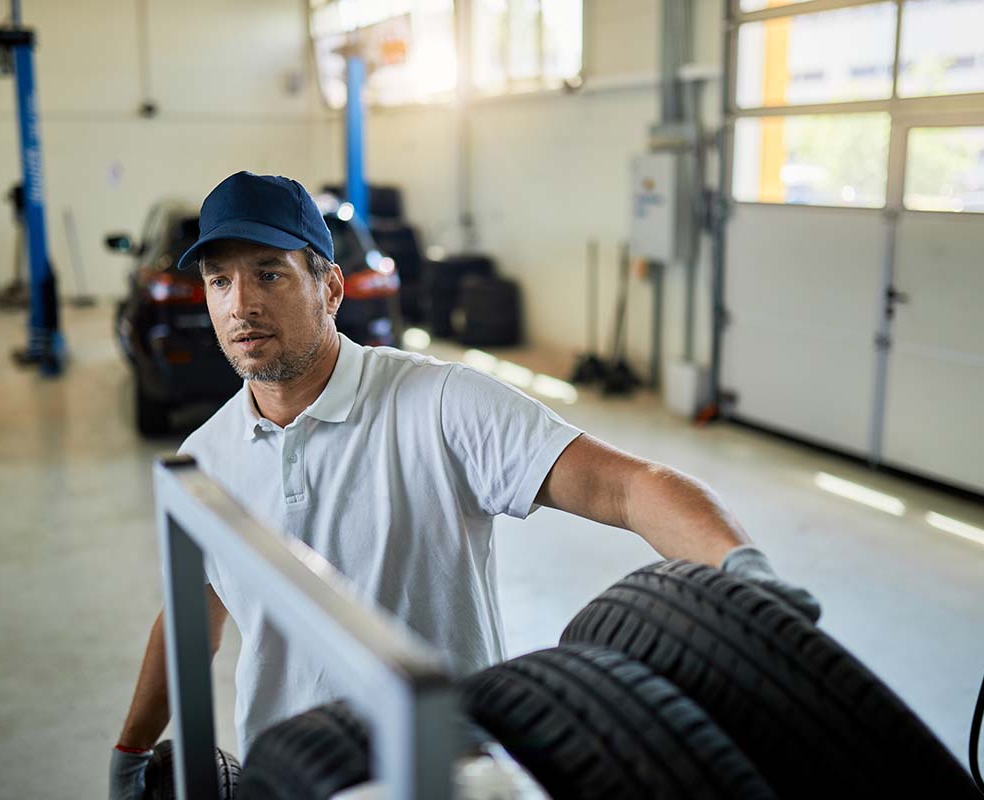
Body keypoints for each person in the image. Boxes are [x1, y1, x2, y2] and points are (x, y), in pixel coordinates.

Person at [109, 172, 819, 799]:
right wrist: (131, 751)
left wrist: (746, 580)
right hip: (291, 778)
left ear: (330, 288)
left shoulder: (441, 403)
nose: (240, 305)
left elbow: (629, 488)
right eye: (220, 281)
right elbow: (191, 619)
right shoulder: (206, 458)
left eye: (269, 274)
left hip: (446, 775)